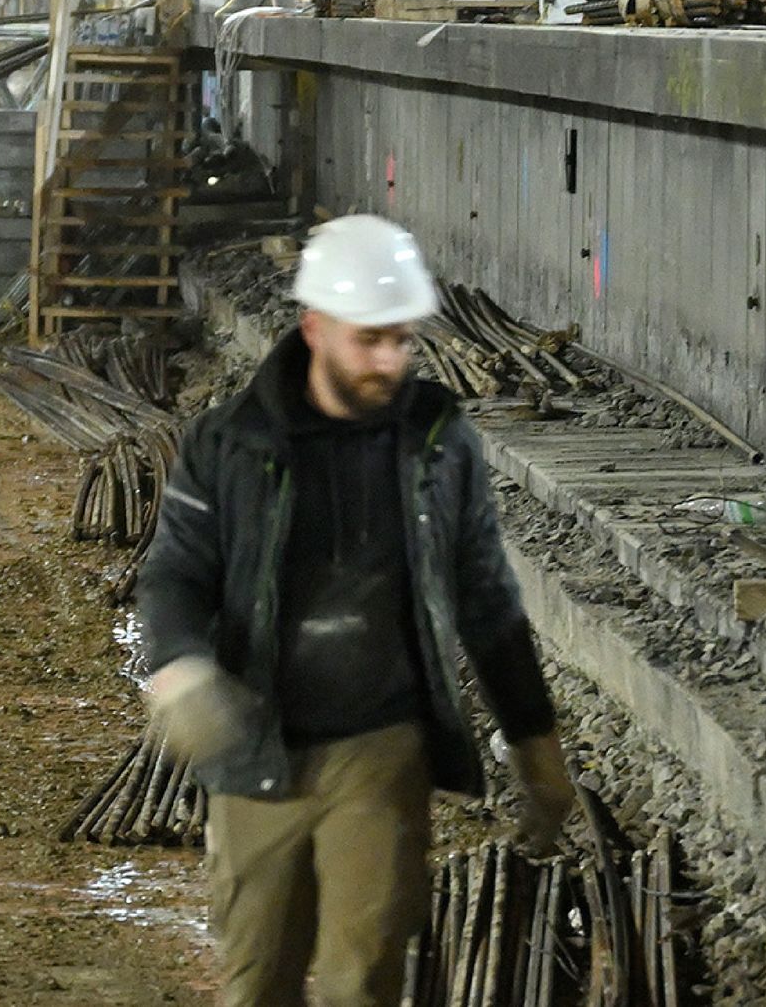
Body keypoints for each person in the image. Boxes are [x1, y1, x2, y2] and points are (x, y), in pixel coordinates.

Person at [138, 216, 577, 1007]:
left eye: (402, 340)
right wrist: (181, 667)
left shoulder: (437, 442)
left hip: (381, 747)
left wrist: (532, 738)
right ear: (314, 327)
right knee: (258, 978)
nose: (390, 360)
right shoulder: (227, 443)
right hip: (254, 748)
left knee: (363, 977)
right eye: (369, 339)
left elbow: (487, 598)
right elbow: (174, 573)